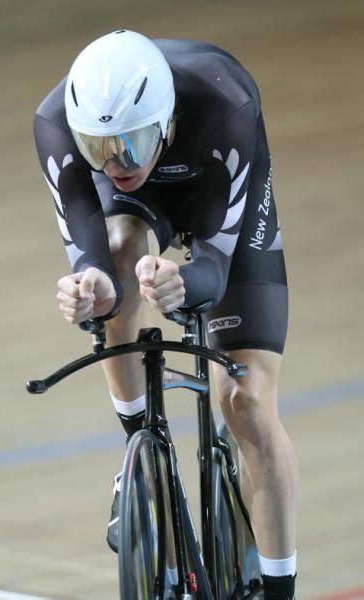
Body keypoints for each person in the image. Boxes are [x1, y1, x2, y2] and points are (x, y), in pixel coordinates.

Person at [33, 29, 298, 600]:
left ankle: (280, 587)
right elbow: (92, 258)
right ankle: (138, 451)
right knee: (122, 249)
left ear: (166, 122)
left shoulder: (226, 105)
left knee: (246, 400)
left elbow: (216, 268)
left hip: (219, 195)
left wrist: (189, 283)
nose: (114, 163)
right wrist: (92, 288)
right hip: (138, 213)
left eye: (128, 145)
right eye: (97, 148)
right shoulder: (55, 125)